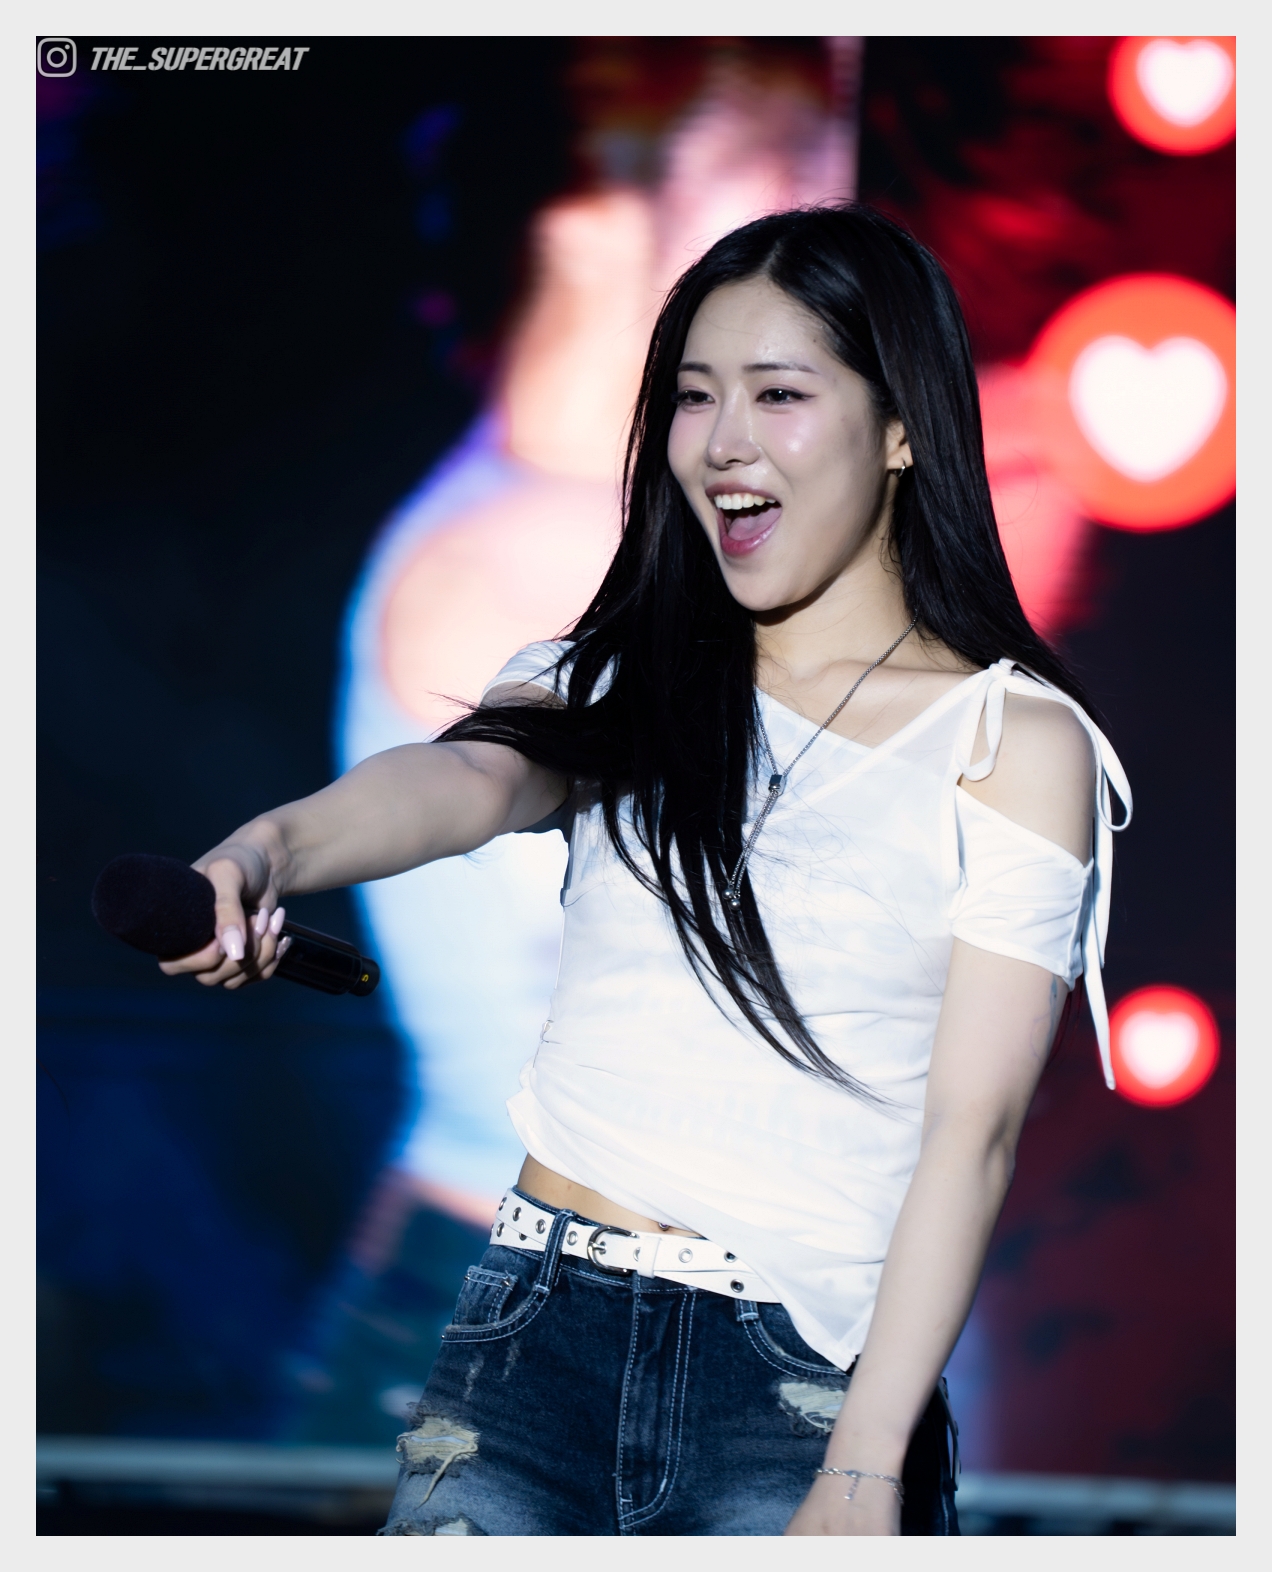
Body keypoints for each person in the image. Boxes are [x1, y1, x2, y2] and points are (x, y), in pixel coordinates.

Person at [161, 205, 1131, 1536]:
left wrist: (864, 1464)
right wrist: (272, 847)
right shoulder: (620, 679)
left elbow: (976, 1131)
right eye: (693, 395)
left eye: (778, 394)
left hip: (797, 1378)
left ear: (905, 427)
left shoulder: (1009, 742)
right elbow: (465, 780)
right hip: (531, 1330)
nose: (722, 441)